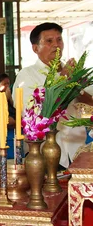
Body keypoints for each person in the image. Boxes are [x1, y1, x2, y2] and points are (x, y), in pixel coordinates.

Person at [14, 22, 93, 167]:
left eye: (59, 40)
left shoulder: (74, 72)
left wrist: (78, 86)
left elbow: (90, 107)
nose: (56, 45)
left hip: (78, 150)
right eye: (49, 41)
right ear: (35, 48)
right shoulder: (27, 75)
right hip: (44, 152)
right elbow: (32, 115)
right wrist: (62, 80)